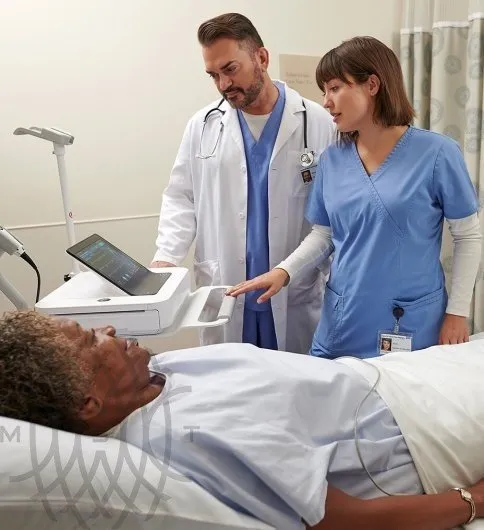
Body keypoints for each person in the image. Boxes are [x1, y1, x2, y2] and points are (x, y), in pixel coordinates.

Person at [1, 310, 484, 530]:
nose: (107, 328)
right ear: (89, 403)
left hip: (397, 377)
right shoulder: (183, 436)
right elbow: (342, 521)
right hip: (424, 425)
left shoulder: (157, 373)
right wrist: (472, 502)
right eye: (91, 340)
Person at [227, 36, 482, 359]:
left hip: (409, 321)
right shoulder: (332, 159)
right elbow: (324, 235)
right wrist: (283, 271)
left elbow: (468, 236)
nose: (326, 102)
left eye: (334, 88)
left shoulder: (437, 153)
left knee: (399, 392)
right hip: (344, 318)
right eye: (324, 91)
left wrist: (457, 313)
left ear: (372, 85)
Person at [151, 13, 335, 353]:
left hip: (293, 290)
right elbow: (181, 197)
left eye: (230, 69)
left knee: (294, 381)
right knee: (231, 378)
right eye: (214, 75)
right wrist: (166, 258)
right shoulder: (203, 125)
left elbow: (332, 215)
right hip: (227, 290)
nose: (223, 84)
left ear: (261, 58)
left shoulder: (318, 122)